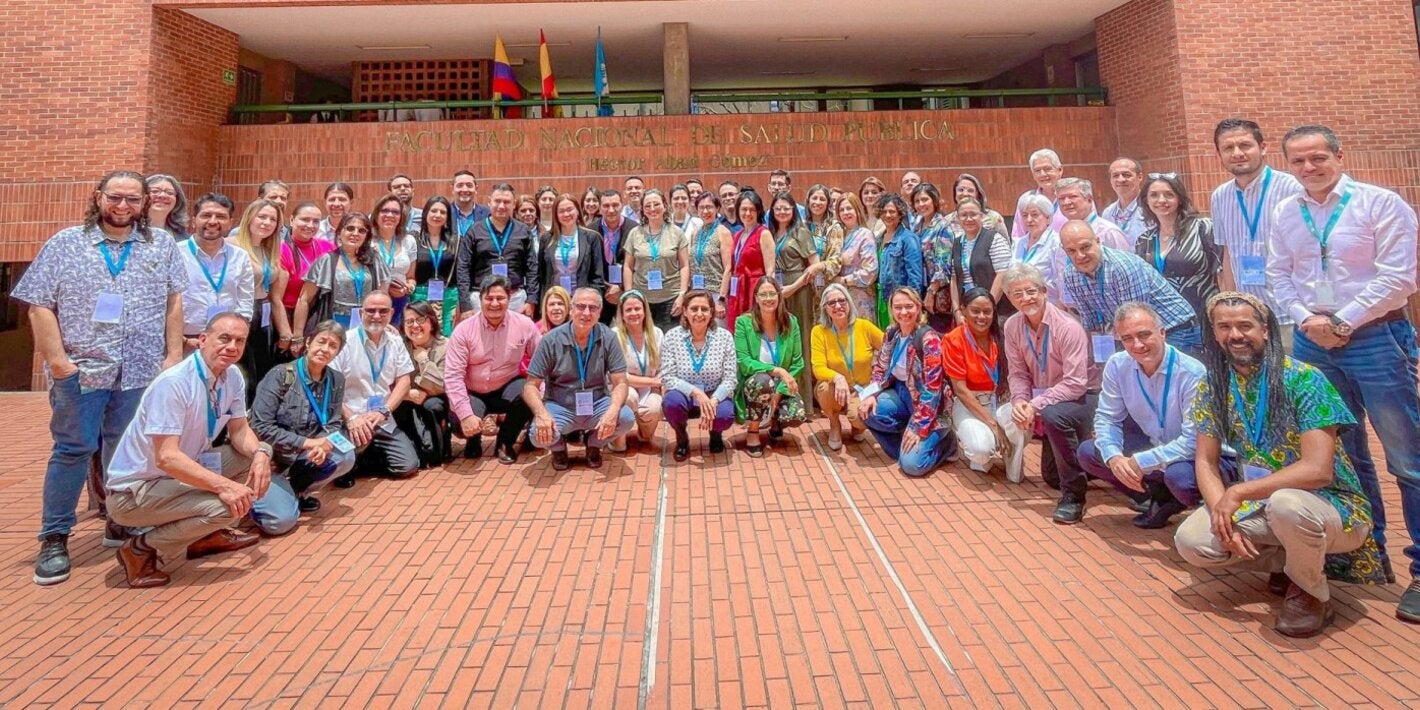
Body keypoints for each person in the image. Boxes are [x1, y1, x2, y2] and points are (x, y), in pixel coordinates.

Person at [1267, 124, 1420, 620]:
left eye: (1318, 158)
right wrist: (1305, 319)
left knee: (1407, 457)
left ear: (1338, 155)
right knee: (1342, 455)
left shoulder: (1380, 204)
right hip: (1315, 343)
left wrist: (1343, 319)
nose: (1309, 168)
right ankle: (1364, 554)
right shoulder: (1286, 212)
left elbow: (1400, 275)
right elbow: (1277, 274)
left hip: (1376, 338)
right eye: (1298, 161)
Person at [1174, 291, 1385, 637]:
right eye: (1224, 326)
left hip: (1332, 506)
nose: (1235, 335)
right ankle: (1293, 562)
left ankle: (1311, 593)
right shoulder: (1213, 384)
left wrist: (1239, 491)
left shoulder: (1304, 379)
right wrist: (1220, 512)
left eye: (1245, 325)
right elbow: (1206, 460)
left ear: (1267, 331)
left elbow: (1318, 470)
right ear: (1214, 334)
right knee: (1193, 541)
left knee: (1287, 504)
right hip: (1263, 503)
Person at [15, 170, 187, 585]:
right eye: (115, 198)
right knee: (72, 450)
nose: (123, 206)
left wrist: (174, 354)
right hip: (83, 371)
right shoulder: (66, 243)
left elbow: (174, 299)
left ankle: (120, 519)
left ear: (145, 203)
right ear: (98, 198)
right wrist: (58, 363)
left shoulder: (160, 244)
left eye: (132, 199)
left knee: (125, 451)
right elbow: (38, 303)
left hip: (140, 371)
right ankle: (54, 537)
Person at [104, 314, 274, 588]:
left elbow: (240, 431)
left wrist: (262, 454)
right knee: (229, 507)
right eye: (224, 338)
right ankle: (140, 549)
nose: (232, 346)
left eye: (239, 341)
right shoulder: (174, 383)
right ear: (203, 340)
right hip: (137, 491)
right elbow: (167, 457)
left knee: (246, 457)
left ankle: (202, 535)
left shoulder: (232, 377)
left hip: (181, 472)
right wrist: (224, 486)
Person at [1076, 302, 1208, 528]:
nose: (1137, 345)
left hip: (1190, 456)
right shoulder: (1118, 365)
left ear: (1163, 332)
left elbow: (1193, 442)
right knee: (1090, 453)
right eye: (1127, 338)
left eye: (1144, 335)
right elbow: (1107, 418)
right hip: (1153, 443)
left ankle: (1199, 509)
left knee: (1180, 480)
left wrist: (1141, 461)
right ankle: (1156, 494)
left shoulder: (1192, 373)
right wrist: (1115, 458)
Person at [999, 264, 1097, 520]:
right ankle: (1093, 464)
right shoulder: (1011, 326)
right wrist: (1021, 401)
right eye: (1017, 294)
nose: (1025, 298)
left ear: (1044, 291)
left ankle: (1074, 496)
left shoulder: (1067, 326)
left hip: (1086, 396)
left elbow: (1076, 383)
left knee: (1053, 415)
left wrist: (1036, 404)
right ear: (1009, 298)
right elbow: (1018, 373)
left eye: (1030, 291)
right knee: (1051, 477)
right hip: (1050, 399)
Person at [1209, 118, 1305, 349]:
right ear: (1219, 154)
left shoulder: (1293, 189)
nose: (1237, 153)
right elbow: (1228, 253)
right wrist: (1231, 306)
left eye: (1245, 145)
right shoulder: (1220, 196)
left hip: (1291, 316)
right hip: (1247, 320)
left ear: (1262, 148)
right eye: (1228, 148)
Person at [250, 319, 356, 517]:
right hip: (273, 457)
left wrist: (323, 446)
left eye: (333, 346)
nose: (325, 349)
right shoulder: (281, 375)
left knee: (345, 455)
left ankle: (297, 491)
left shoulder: (336, 380)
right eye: (321, 341)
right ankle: (269, 492)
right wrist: (308, 443)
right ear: (308, 343)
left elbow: (333, 422)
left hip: (306, 453)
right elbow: (260, 426)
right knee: (279, 522)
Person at [524, 288, 636, 470]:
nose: (586, 313)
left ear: (600, 312)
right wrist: (541, 414)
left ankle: (594, 444)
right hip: (560, 405)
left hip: (597, 403)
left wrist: (613, 410)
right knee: (537, 434)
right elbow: (530, 386)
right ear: (571, 309)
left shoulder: (608, 337)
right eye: (581, 307)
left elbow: (620, 382)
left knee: (625, 418)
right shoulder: (550, 340)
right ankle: (558, 447)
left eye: (593, 308)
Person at [1060, 220, 1200, 358]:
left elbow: (1136, 318)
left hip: (1175, 328)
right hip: (1133, 334)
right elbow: (1091, 323)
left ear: (1097, 241)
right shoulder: (1071, 276)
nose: (1080, 256)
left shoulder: (1122, 267)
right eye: (1071, 251)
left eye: (1085, 247)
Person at [858, 287, 956, 476]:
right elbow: (880, 367)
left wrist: (919, 427)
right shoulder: (891, 333)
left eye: (909, 306)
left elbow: (933, 388)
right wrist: (871, 395)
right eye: (898, 307)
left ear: (918, 308)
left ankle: (947, 444)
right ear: (892, 310)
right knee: (866, 411)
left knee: (912, 466)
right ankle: (906, 446)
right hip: (902, 393)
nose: (903, 312)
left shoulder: (929, 339)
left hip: (931, 406)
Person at [445, 277, 542, 463]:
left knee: (530, 393)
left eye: (500, 298)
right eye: (489, 298)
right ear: (480, 299)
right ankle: (473, 439)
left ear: (510, 298)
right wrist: (466, 416)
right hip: (472, 391)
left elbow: (541, 363)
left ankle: (505, 442)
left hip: (507, 387)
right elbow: (453, 376)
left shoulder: (525, 325)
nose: (495, 303)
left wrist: (541, 395)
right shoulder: (463, 330)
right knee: (459, 419)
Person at [328, 291, 419, 485]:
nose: (376, 316)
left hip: (383, 418)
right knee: (339, 463)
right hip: (352, 420)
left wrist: (385, 410)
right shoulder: (345, 343)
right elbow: (330, 387)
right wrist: (351, 417)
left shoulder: (395, 341)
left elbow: (404, 381)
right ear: (361, 313)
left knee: (408, 466)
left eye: (382, 311)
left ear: (391, 313)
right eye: (371, 311)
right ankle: (351, 459)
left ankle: (361, 460)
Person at [1134, 172, 1220, 356]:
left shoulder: (1203, 228)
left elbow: (1221, 272)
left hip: (1204, 321)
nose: (1161, 200)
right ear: (1146, 201)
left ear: (1179, 199)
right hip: (1166, 325)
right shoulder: (1144, 240)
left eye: (1169, 194)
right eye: (1154, 195)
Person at [734, 278, 809, 456]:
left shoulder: (791, 322)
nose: (768, 298)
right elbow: (744, 361)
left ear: (779, 296)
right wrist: (778, 371)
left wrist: (778, 393)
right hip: (755, 382)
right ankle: (753, 430)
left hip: (780, 386)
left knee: (796, 414)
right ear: (756, 298)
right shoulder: (743, 323)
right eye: (763, 294)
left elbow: (798, 363)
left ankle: (775, 421)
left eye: (772, 294)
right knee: (763, 380)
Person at [660, 289, 738, 462]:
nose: (699, 314)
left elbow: (731, 377)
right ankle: (682, 438)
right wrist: (695, 392)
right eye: (694, 309)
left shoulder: (724, 337)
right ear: (685, 311)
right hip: (685, 395)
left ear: (712, 312)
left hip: (713, 393)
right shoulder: (672, 337)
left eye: (704, 309)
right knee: (671, 403)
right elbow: (667, 376)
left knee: (725, 415)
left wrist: (714, 399)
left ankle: (716, 434)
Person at [230, 198, 292, 398]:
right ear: (249, 217)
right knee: (241, 371)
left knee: (260, 371)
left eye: (272, 219)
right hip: (240, 313)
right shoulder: (231, 246)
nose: (267, 223)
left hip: (263, 316)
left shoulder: (269, 250)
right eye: (262, 217)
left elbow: (275, 298)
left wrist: (285, 333)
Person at [942, 288, 1008, 475]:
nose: (982, 317)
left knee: (1018, 425)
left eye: (987, 311)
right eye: (975, 311)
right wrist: (993, 424)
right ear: (963, 310)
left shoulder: (1002, 335)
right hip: (969, 403)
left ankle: (1013, 463)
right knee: (981, 450)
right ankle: (975, 446)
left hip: (999, 400)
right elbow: (960, 390)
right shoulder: (953, 339)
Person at [811, 283, 884, 450]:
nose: (838, 306)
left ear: (849, 303)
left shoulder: (864, 326)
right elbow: (818, 367)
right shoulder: (819, 331)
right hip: (834, 387)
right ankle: (834, 423)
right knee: (823, 389)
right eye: (832, 303)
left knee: (860, 418)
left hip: (862, 388)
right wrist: (838, 377)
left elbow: (888, 348)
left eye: (842, 301)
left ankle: (856, 426)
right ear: (825, 308)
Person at [179, 194, 254, 353]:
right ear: (194, 220)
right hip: (184, 341)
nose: (213, 221)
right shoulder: (175, 253)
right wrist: (183, 340)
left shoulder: (240, 256)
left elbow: (245, 302)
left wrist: (236, 335)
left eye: (221, 216)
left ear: (230, 223)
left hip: (226, 341)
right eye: (206, 215)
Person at [293, 212, 390, 333]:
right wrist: (297, 336)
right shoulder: (327, 261)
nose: (355, 233)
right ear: (339, 233)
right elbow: (304, 300)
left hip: (367, 324)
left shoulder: (375, 260)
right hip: (334, 325)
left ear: (367, 236)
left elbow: (383, 299)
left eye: (361, 231)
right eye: (350, 228)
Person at [769, 192, 823, 408]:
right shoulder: (772, 233)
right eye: (778, 208)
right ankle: (782, 397)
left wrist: (793, 287)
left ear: (794, 210)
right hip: (778, 290)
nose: (782, 212)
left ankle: (805, 402)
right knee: (782, 341)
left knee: (800, 340)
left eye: (786, 208)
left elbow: (814, 265)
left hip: (799, 290)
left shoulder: (801, 232)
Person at [456, 182, 539, 318]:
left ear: (513, 205)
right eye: (497, 201)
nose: (501, 206)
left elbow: (532, 268)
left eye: (506, 202)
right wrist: (465, 305)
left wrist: (531, 300)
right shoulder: (474, 231)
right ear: (489, 202)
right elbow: (463, 268)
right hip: (482, 298)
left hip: (515, 298)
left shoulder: (523, 231)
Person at [391, 300, 451, 468]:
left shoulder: (446, 346)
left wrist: (424, 360)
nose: (415, 326)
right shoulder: (399, 347)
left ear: (431, 322)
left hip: (437, 399)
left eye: (420, 320)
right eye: (409, 321)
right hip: (407, 398)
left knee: (433, 405)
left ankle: (439, 447)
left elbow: (442, 383)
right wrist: (408, 394)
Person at [624, 189, 690, 330]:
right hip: (642, 299)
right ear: (642, 209)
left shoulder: (676, 233)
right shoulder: (635, 233)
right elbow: (628, 267)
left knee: (669, 342)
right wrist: (629, 295)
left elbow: (684, 266)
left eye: (656, 204)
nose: (652, 209)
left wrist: (682, 295)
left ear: (664, 206)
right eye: (647, 206)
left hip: (670, 299)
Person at [612, 290, 665, 451]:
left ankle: (644, 434)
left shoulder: (656, 333)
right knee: (630, 396)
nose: (633, 313)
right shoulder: (613, 336)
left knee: (654, 408)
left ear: (644, 311)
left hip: (650, 389)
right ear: (621, 314)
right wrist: (653, 381)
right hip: (622, 387)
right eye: (628, 310)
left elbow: (665, 367)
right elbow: (618, 376)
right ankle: (616, 439)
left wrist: (658, 382)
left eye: (637, 309)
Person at [279, 202, 334, 354]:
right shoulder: (281, 250)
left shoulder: (328, 247)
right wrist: (294, 335)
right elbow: (276, 298)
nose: (310, 225)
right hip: (289, 318)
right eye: (305, 219)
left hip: (320, 314)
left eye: (316, 221)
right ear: (291, 220)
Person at [950, 197, 1013, 323]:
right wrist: (957, 311)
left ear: (981, 216)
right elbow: (954, 278)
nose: (968, 219)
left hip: (996, 311)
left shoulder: (995, 239)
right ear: (957, 218)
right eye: (963, 215)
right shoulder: (957, 243)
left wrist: (987, 308)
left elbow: (1003, 274)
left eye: (973, 214)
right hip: (968, 310)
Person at [540, 193, 607, 299]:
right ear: (556, 214)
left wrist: (591, 299)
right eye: (561, 211)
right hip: (555, 300)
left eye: (570, 209)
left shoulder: (592, 237)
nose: (566, 214)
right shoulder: (546, 239)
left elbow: (598, 276)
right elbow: (541, 274)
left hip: (582, 300)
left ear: (577, 211)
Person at [412, 196, 460, 336]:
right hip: (420, 296)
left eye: (443, 212)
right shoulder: (413, 239)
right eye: (434, 211)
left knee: (448, 338)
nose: (438, 215)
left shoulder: (456, 241)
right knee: (421, 335)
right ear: (426, 213)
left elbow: (461, 272)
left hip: (449, 297)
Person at [874, 193, 925, 328]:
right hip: (882, 299)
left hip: (900, 302)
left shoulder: (908, 239)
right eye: (884, 211)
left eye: (892, 211)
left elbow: (914, 276)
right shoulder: (879, 238)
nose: (888, 215)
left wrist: (910, 305)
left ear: (900, 213)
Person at [725, 192, 775, 325]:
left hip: (754, 289)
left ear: (758, 211)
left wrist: (766, 295)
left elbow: (770, 270)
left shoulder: (763, 233)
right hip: (737, 289)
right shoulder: (737, 235)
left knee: (754, 328)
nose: (747, 213)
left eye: (752, 209)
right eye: (744, 209)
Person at [1011, 193, 1068, 307]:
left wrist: (1061, 308)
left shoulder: (1057, 243)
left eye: (1034, 215)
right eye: (1025, 215)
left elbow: (1063, 278)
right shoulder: (1018, 243)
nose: (1029, 219)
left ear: (1048, 218)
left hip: (1051, 306)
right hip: (1023, 305)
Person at [369, 193, 417, 325]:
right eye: (384, 210)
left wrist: (409, 287)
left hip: (400, 302)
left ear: (401, 217)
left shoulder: (409, 241)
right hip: (373, 304)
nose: (390, 215)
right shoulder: (367, 241)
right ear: (376, 214)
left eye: (395, 212)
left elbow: (411, 277)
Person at [914, 183, 955, 331]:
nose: (921, 204)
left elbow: (943, 264)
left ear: (934, 200)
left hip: (937, 294)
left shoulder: (943, 227)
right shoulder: (916, 226)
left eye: (925, 199)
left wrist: (931, 293)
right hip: (920, 290)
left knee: (937, 336)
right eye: (917, 201)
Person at [832, 193, 879, 323]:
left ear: (857, 210)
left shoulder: (865, 235)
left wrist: (843, 280)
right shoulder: (837, 236)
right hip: (839, 299)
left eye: (849, 208)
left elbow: (870, 272)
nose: (846, 212)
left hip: (860, 299)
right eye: (841, 210)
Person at [688, 192, 734, 316]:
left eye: (709, 207)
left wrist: (721, 299)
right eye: (701, 208)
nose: (705, 211)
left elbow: (728, 268)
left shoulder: (723, 232)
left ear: (717, 208)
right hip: (696, 292)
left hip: (715, 294)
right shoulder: (695, 232)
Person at [596, 189, 638, 322]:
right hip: (601, 294)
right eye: (606, 206)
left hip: (627, 292)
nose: (611, 210)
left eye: (615, 205)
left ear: (622, 205)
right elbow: (589, 266)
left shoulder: (635, 229)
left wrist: (621, 288)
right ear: (600, 208)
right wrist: (606, 289)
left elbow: (639, 264)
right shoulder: (590, 231)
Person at [1055, 177, 1132, 251]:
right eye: (1061, 198)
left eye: (1072, 196)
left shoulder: (1108, 232)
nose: (1066, 202)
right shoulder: (1063, 234)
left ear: (1089, 199)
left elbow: (1125, 263)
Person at [1012, 149, 1069, 238]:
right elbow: (1019, 235)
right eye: (1037, 171)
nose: (1043, 174)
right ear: (1033, 175)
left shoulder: (1074, 197)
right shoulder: (1026, 199)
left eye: (1047, 169)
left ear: (1060, 170)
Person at [944, 174, 1009, 237]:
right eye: (961, 190)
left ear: (978, 195)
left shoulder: (994, 218)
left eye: (970, 190)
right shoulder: (946, 221)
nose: (965, 194)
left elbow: (1006, 245)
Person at [1102, 158, 1148, 243]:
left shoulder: (1150, 208)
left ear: (1140, 177)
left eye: (1126, 175)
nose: (1121, 180)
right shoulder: (1108, 213)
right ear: (1110, 180)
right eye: (1115, 175)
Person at [146, 174, 188, 240]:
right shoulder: (128, 230)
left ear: (177, 200)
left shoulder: (184, 239)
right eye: (155, 191)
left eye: (170, 193)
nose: (162, 195)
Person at [450, 170, 491, 238]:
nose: (465, 190)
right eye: (460, 185)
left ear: (476, 189)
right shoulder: (444, 213)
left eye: (469, 185)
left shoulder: (488, 214)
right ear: (452, 189)